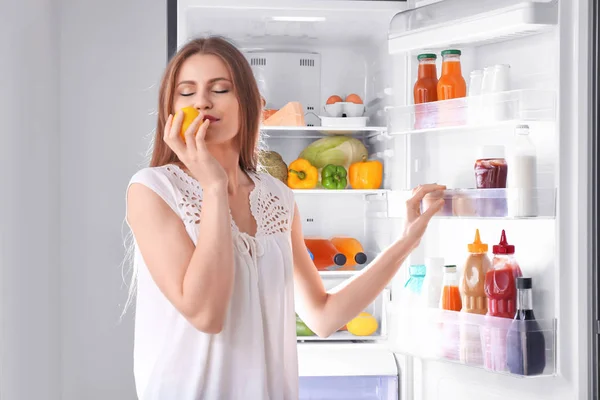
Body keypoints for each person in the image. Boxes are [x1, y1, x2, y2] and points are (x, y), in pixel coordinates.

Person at [125, 36, 445, 400]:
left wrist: (405, 243)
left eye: (220, 89)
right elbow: (206, 315)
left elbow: (323, 316)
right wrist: (213, 186)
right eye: (186, 92)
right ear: (170, 110)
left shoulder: (277, 197)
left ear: (249, 104)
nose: (202, 102)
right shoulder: (153, 190)